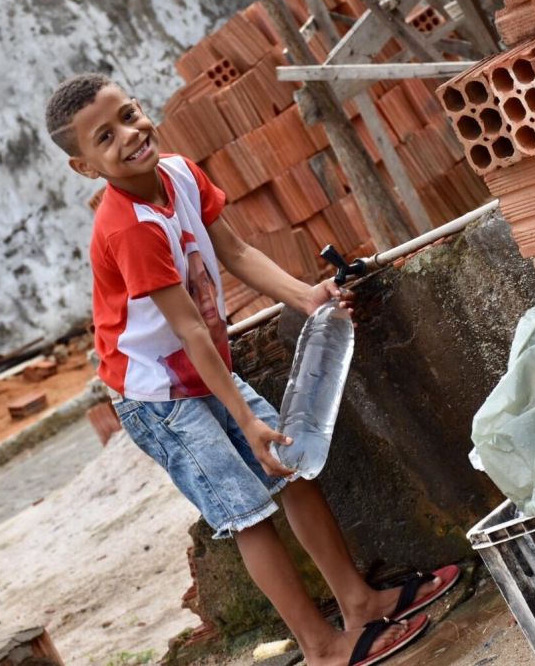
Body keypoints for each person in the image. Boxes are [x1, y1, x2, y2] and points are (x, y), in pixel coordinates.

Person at [44, 73, 459, 665]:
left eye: (130, 115)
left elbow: (235, 252)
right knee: (249, 513)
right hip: (159, 397)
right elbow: (187, 328)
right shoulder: (128, 229)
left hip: (200, 368)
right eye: (105, 138)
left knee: (290, 470)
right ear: (86, 167)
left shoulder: (181, 174)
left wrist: (305, 296)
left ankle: (360, 603)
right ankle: (322, 648)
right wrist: (245, 418)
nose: (131, 135)